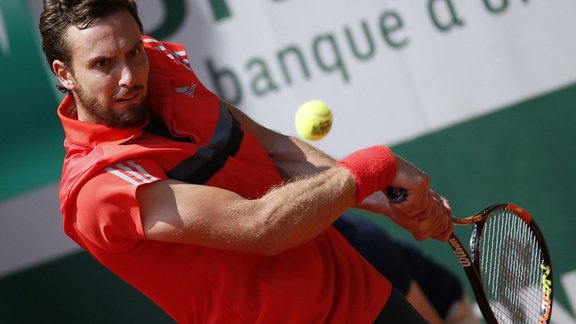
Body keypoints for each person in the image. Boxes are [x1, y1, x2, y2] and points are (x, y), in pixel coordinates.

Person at [40, 0, 457, 322]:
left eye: (132, 52)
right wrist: (373, 167)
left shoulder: (159, 65)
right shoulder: (98, 187)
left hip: (364, 296)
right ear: (65, 73)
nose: (129, 76)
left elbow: (270, 146)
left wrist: (385, 201)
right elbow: (261, 226)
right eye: (102, 65)